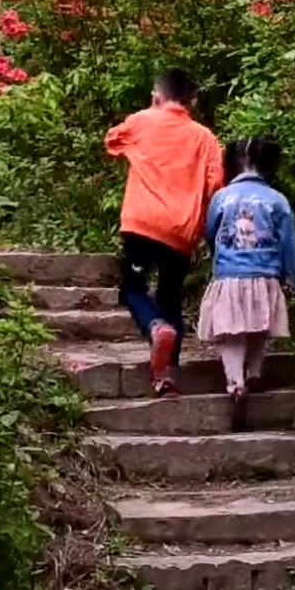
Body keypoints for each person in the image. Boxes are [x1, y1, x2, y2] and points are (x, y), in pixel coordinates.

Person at [105, 69, 224, 395]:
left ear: (158, 93)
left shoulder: (142, 121)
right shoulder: (205, 138)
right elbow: (216, 184)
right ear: (193, 101)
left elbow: (112, 141)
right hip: (180, 232)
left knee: (133, 289)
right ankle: (167, 374)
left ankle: (154, 327)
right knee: (170, 295)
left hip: (141, 224)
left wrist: (150, 112)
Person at [200, 137, 295, 422]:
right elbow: (288, 244)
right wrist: (293, 278)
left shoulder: (222, 197)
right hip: (266, 274)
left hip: (230, 273)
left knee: (230, 330)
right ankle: (254, 372)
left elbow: (210, 232)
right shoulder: (278, 200)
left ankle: (235, 382)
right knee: (259, 325)